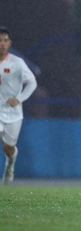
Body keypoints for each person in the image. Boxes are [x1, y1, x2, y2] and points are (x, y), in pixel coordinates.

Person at [0, 27, 38, 185]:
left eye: (4, 40)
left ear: (10, 43)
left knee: (8, 149)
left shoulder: (17, 63)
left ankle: (10, 165)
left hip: (13, 113)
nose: (1, 44)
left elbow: (32, 82)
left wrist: (19, 98)